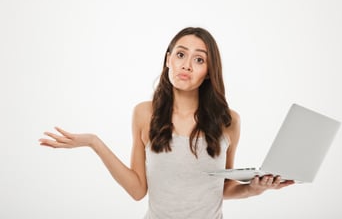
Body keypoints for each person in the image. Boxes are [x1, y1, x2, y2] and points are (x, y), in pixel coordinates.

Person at [39, 27, 294, 218]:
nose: (186, 65)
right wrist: (94, 143)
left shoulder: (229, 121)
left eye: (199, 59)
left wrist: (254, 189)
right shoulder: (143, 114)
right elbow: (138, 190)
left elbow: (222, 187)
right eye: (181, 55)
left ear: (208, 72)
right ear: (168, 59)